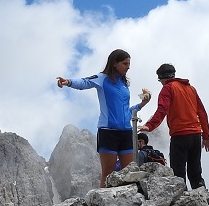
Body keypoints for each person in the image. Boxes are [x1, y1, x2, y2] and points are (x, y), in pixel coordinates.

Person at [57, 49, 151, 187]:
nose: (128, 67)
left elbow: (126, 111)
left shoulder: (124, 84)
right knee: (108, 173)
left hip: (126, 132)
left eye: (129, 64)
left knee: (128, 173)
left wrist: (142, 104)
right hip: (108, 131)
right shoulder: (102, 78)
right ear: (114, 63)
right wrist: (68, 82)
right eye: (125, 64)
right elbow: (85, 82)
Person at [139, 63, 209, 189]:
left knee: (178, 172)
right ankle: (202, 194)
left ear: (162, 78)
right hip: (195, 135)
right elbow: (202, 113)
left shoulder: (167, 88)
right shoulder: (191, 89)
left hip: (180, 135)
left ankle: (181, 199)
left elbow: (162, 109)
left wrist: (149, 126)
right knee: (195, 170)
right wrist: (206, 136)